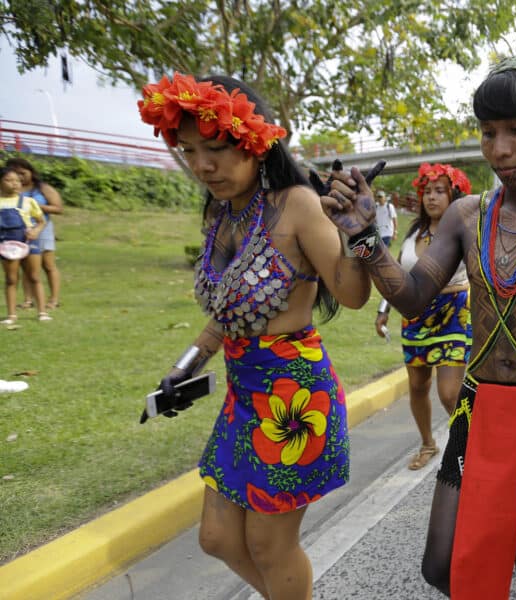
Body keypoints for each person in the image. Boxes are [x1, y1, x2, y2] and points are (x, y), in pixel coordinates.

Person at [321, 53, 516, 599]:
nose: (501, 149)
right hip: (480, 404)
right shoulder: (469, 214)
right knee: (442, 565)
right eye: (489, 133)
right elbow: (414, 298)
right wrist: (365, 237)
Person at [137, 72, 370, 600]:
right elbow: (225, 312)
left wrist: (362, 237)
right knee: (217, 537)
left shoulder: (297, 205)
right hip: (244, 393)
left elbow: (351, 296)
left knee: (269, 546)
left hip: (294, 397)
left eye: (216, 148)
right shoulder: (221, 214)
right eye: (190, 150)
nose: (203, 166)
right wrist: (185, 365)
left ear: (255, 143)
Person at [375, 162, 473, 470]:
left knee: (449, 392)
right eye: (427, 191)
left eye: (440, 191)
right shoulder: (412, 233)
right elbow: (398, 275)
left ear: (453, 195)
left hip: (454, 312)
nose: (431, 197)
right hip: (415, 315)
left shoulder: (463, 230)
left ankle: (469, 448)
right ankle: (428, 443)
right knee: (417, 386)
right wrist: (383, 310)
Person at [5, 157, 63, 311]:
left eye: (23, 173)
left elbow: (58, 208)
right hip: (20, 231)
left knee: (48, 265)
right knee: (26, 266)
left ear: (31, 171)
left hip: (41, 228)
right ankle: (28, 300)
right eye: (16, 174)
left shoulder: (42, 188)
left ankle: (54, 299)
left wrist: (36, 206)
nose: (20, 177)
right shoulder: (12, 189)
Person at [0, 167, 48, 324]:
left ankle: (42, 312)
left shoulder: (28, 201)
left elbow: (42, 221)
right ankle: (11, 315)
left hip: (28, 242)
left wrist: (36, 231)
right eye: (9, 180)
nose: (14, 184)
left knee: (34, 276)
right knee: (11, 279)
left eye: (17, 181)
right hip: (7, 244)